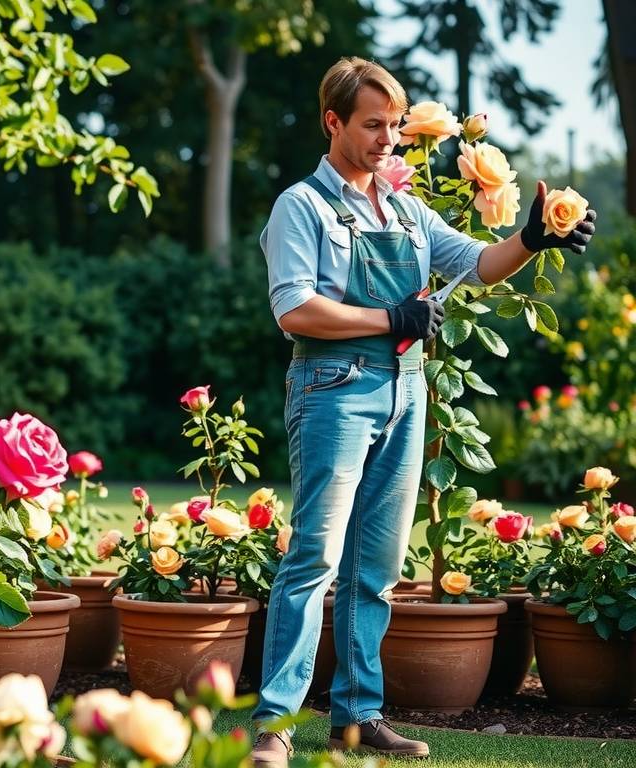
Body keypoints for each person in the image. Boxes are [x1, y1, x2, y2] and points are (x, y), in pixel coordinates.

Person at [251, 56, 596, 764]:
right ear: (333, 122)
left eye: (396, 127)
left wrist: (533, 238)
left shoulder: (407, 210)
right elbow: (294, 310)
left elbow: (477, 262)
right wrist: (389, 316)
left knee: (375, 567)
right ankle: (274, 726)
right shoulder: (302, 206)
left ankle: (357, 716)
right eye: (372, 124)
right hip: (333, 394)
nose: (387, 139)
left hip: (406, 393)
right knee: (315, 556)